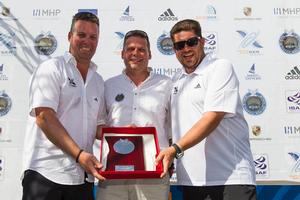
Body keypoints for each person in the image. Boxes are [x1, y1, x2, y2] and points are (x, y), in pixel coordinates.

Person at [156, 19, 256, 200]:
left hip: (230, 179)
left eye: (191, 42)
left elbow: (212, 117)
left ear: (202, 42)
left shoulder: (220, 67)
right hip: (192, 182)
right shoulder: (176, 79)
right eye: (179, 45)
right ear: (174, 50)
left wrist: (175, 149)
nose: (186, 49)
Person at [22, 12, 106, 200]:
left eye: (93, 37)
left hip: (81, 179)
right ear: (69, 37)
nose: (87, 41)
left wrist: (130, 134)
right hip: (45, 174)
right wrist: (79, 155)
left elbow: (99, 128)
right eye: (81, 35)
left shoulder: (98, 81)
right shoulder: (51, 68)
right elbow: (44, 117)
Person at [96, 30, 172, 200]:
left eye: (141, 49)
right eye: (130, 49)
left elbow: (176, 129)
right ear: (122, 53)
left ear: (150, 54)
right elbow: (97, 127)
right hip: (113, 171)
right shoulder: (108, 85)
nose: (135, 53)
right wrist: (122, 134)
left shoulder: (167, 85)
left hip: (154, 172)